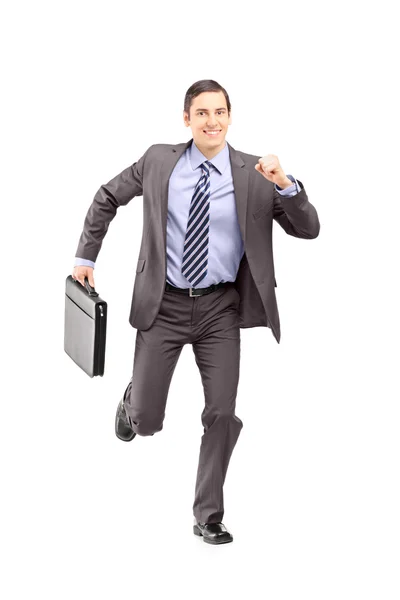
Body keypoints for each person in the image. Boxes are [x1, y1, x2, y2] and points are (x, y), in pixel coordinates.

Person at [72, 79, 320, 545]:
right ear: (186, 119)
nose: (212, 121)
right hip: (162, 304)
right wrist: (86, 257)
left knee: (222, 413)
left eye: (220, 112)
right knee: (147, 423)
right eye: (202, 113)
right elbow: (107, 196)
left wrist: (286, 184)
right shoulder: (158, 160)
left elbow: (309, 229)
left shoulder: (255, 174)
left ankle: (208, 514)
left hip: (220, 310)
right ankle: (132, 404)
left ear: (230, 117)